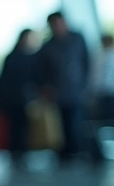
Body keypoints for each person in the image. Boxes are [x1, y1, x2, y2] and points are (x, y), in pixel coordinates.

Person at [35, 12, 90, 158]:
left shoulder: (77, 39)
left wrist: (86, 84)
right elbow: (42, 71)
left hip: (77, 90)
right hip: (57, 93)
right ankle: (65, 154)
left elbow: (86, 62)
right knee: (60, 125)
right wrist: (46, 88)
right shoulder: (48, 46)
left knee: (77, 123)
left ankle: (78, 152)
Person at [0, 29, 40, 157]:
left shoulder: (24, 58)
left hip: (21, 99)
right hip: (15, 99)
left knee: (20, 128)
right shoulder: (19, 58)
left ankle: (18, 151)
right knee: (15, 128)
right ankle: (17, 151)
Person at [93, 33, 114, 120]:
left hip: (112, 89)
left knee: (110, 112)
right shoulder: (101, 55)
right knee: (105, 112)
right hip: (104, 89)